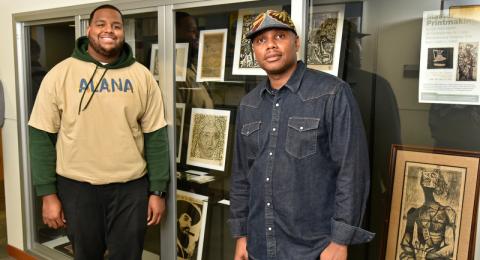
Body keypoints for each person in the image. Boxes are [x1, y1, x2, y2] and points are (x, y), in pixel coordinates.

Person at [229, 10, 374, 260]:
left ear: (296, 43)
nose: (270, 45)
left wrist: (340, 241)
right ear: (254, 51)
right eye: (261, 41)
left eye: (279, 36)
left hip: (314, 249)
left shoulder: (332, 93)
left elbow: (352, 172)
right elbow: (242, 176)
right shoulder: (249, 105)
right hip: (259, 245)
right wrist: (242, 236)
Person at [28, 4, 170, 260]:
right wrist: (47, 195)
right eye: (102, 24)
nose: (109, 30)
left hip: (131, 189)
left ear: (123, 32)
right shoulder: (60, 74)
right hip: (77, 189)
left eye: (116, 26)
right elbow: (41, 137)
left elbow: (156, 136)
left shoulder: (142, 76)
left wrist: (157, 191)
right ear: (89, 29)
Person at [399, 168, 456, 260]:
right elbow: (405, 243)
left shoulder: (447, 212)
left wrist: (427, 257)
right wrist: (415, 257)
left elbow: (450, 247)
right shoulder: (414, 212)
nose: (427, 186)